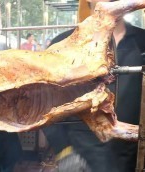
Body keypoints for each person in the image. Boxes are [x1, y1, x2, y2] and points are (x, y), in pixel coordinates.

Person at [43, 0, 145, 172]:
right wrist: (64, 151)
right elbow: (45, 103)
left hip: (134, 155)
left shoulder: (142, 41)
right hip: (82, 156)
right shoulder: (63, 43)